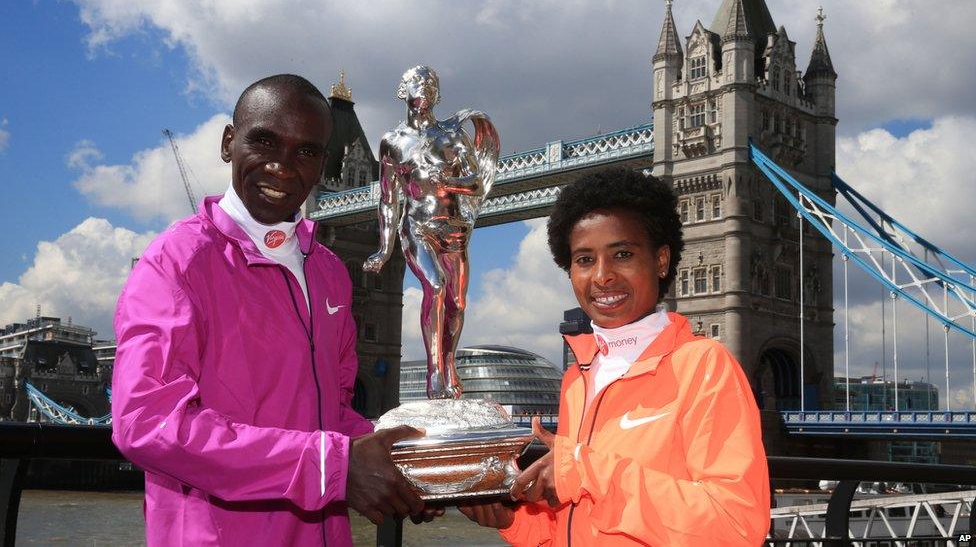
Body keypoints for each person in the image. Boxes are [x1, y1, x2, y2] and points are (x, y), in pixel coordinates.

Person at [112, 74, 436, 546]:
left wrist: (408, 464)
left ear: (322, 164)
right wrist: (334, 466)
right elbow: (147, 422)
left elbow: (331, 414)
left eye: (305, 151)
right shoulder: (175, 262)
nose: (283, 168)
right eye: (264, 141)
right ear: (229, 142)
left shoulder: (328, 272)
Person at [459, 167, 770, 545]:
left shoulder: (704, 366)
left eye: (622, 254)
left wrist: (585, 470)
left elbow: (734, 527)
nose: (602, 276)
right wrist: (511, 520)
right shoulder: (578, 378)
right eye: (584, 260)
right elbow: (575, 527)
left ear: (661, 260)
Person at [363, 65, 499, 399]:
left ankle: (449, 363)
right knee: (435, 287)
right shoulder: (391, 143)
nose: (426, 87)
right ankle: (435, 373)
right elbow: (388, 199)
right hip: (417, 226)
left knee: (457, 302)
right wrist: (384, 248)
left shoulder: (451, 135)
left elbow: (476, 183)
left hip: (453, 229)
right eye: (417, 82)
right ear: (402, 91)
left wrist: (447, 181)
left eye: (432, 83)